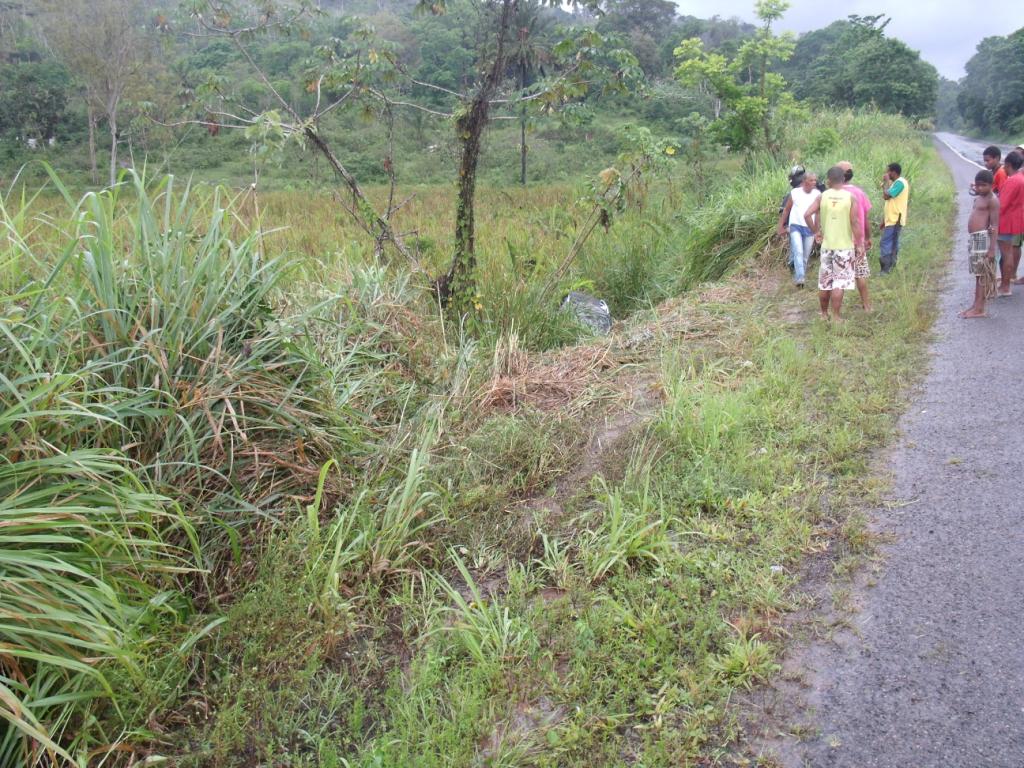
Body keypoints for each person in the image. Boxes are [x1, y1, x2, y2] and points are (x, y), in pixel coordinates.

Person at [804, 166, 864, 321]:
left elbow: (807, 214)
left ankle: (824, 315)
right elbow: (855, 222)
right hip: (844, 247)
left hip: (827, 247)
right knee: (839, 282)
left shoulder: (822, 197)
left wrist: (816, 231)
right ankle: (836, 317)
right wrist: (859, 244)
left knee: (825, 282)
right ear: (843, 179)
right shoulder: (851, 198)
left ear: (828, 180)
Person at [959, 169, 999, 318]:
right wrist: (975, 188)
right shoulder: (980, 196)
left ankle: (980, 308)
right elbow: (976, 191)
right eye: (978, 185)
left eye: (983, 185)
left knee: (982, 274)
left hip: (983, 239)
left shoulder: (992, 200)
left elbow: (994, 225)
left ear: (991, 185)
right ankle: (976, 305)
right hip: (975, 238)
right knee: (977, 273)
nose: (980, 188)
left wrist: (992, 249)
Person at [837, 160, 873, 311]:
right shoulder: (859, 193)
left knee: (840, 276)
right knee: (860, 274)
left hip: (839, 241)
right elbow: (865, 219)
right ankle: (866, 305)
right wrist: (868, 238)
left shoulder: (833, 194)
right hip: (858, 240)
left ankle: (836, 312)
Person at [777, 171, 821, 287]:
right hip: (795, 225)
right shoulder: (795, 193)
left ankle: (794, 266)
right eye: (811, 180)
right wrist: (781, 226)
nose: (814, 182)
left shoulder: (817, 194)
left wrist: (817, 230)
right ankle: (800, 278)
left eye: (815, 180)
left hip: (809, 227)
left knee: (805, 256)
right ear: (804, 181)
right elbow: (786, 210)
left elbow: (817, 213)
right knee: (798, 251)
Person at [996, 151, 1024, 294]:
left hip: (1006, 221)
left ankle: (1005, 286)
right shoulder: (1020, 178)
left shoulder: (1012, 180)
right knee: (1008, 253)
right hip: (1015, 219)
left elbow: (1002, 204)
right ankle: (1005, 282)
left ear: (1008, 164)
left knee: (1006, 254)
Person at [880, 162, 909, 274]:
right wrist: (884, 220)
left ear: (893, 172)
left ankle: (885, 269)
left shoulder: (900, 183)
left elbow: (886, 196)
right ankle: (891, 267)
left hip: (895, 219)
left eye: (888, 171)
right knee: (892, 243)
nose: (886, 173)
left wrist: (886, 183)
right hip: (892, 219)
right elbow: (889, 202)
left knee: (886, 242)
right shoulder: (896, 183)